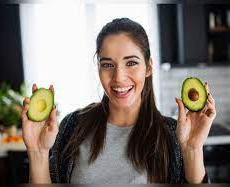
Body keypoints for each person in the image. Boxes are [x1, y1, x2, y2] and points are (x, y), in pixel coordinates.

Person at [21, 18, 216, 184]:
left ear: (148, 68)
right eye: (107, 65)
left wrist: (192, 150)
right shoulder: (73, 126)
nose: (118, 77)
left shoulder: (173, 135)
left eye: (131, 63)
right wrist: (38, 153)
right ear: (98, 68)